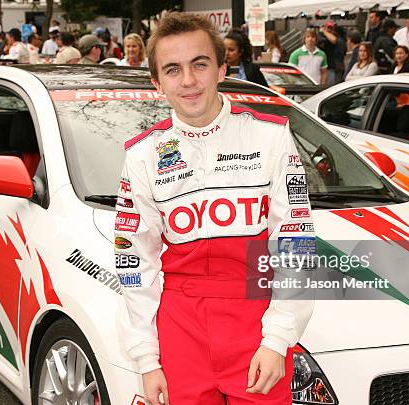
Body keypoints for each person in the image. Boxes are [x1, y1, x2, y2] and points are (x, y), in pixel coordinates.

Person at [115, 11, 315, 405]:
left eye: (199, 64)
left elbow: (295, 241)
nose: (188, 81)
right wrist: (146, 358)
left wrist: (277, 339)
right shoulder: (142, 155)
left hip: (254, 323)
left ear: (222, 68)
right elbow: (135, 262)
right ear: (157, 82)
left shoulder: (270, 136)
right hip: (179, 328)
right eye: (173, 69)